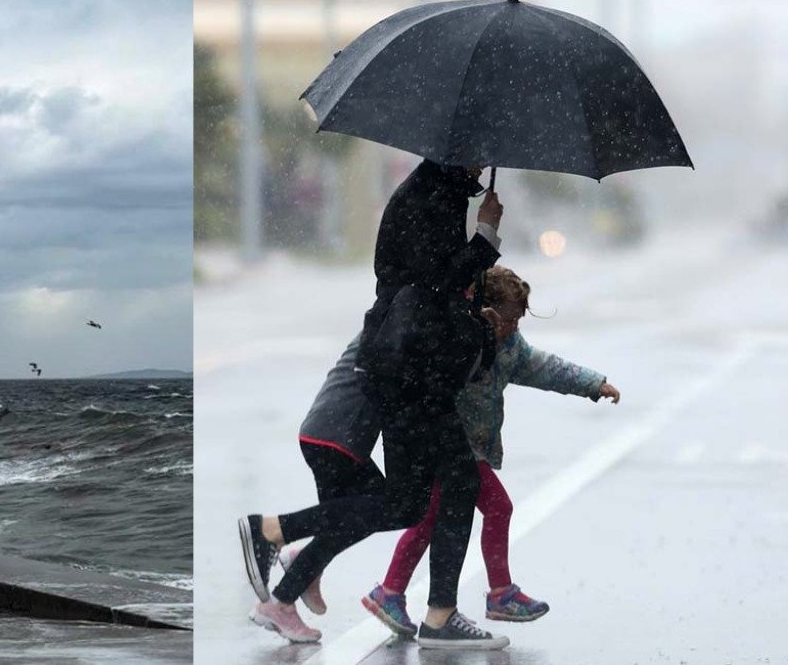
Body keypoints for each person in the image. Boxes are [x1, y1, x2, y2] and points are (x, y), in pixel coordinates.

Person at [239, 160, 509, 649]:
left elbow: (439, 287)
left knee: (406, 501)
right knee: (459, 480)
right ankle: (439, 617)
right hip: (410, 370)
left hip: (409, 368)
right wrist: (486, 237)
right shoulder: (430, 196)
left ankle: (278, 534)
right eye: (479, 152)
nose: (484, 161)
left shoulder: (441, 192)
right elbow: (436, 283)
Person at [363, 265, 621, 630]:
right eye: (509, 319)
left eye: (519, 320)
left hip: (467, 449)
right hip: (450, 446)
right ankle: (498, 592)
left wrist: (594, 384)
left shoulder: (510, 348)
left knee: (430, 518)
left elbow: (546, 368)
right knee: (495, 508)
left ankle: (390, 592)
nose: (514, 328)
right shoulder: (462, 336)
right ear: (486, 310)